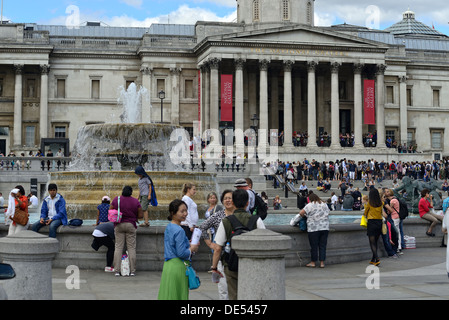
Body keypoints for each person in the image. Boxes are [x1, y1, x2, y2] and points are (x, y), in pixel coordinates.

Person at [211, 189, 266, 300]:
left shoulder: (226, 221)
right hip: (252, 264)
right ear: (247, 203)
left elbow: (217, 248)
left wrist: (214, 267)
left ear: (233, 203)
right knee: (251, 294)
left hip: (231, 264)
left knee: (233, 295)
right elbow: (265, 242)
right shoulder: (257, 220)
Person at [158, 199, 199, 300]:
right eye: (182, 211)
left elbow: (172, 244)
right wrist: (191, 248)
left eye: (186, 210)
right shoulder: (179, 230)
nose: (185, 214)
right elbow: (181, 253)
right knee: (179, 295)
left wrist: (186, 243)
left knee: (168, 294)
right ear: (173, 213)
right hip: (178, 267)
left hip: (169, 266)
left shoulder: (170, 226)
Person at [198, 189, 234, 300]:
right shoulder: (218, 215)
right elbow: (202, 227)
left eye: (230, 198)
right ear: (222, 201)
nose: (228, 200)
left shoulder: (239, 215)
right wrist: (210, 243)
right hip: (222, 256)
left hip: (237, 255)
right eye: (225, 198)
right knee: (223, 288)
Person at [111, 186, 142, 276]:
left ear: (122, 191)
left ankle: (117, 270)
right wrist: (133, 216)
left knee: (118, 247)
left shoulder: (117, 199)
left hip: (119, 224)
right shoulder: (135, 201)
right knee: (131, 248)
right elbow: (140, 215)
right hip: (131, 225)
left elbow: (111, 210)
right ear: (131, 192)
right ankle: (132, 271)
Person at [299, 193, 330, 268]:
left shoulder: (310, 205)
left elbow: (301, 213)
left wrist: (306, 216)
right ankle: (322, 263)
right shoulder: (324, 204)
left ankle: (313, 262)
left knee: (314, 246)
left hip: (313, 228)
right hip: (324, 227)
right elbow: (328, 212)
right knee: (323, 245)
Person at [363, 188, 384, 266]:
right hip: (379, 222)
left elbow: (365, 213)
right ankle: (373, 259)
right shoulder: (381, 203)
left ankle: (377, 258)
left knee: (372, 242)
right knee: (376, 241)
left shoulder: (369, 203)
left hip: (371, 222)